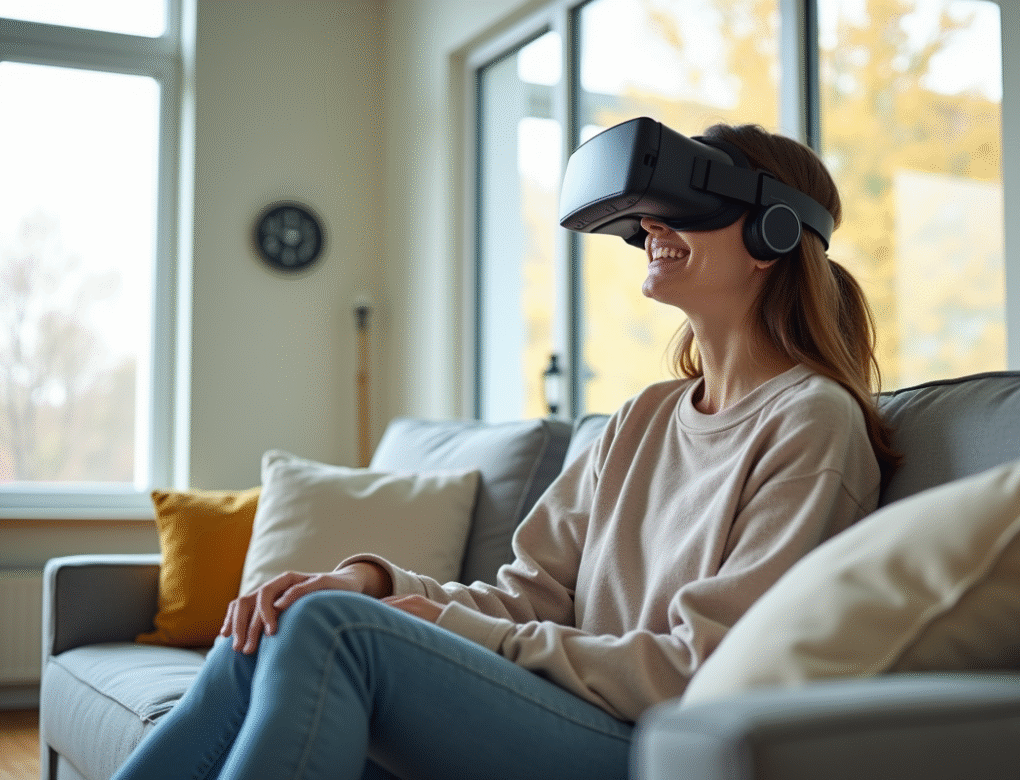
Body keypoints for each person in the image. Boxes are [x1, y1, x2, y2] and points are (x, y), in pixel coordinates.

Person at [111, 122, 898, 780]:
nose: (653, 228)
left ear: (772, 236)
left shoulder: (812, 423)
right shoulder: (638, 419)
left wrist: (462, 634)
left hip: (648, 740)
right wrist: (366, 577)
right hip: (562, 707)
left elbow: (705, 668)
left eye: (684, 208)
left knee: (337, 632)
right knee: (300, 611)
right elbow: (525, 598)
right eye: (650, 213)